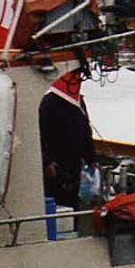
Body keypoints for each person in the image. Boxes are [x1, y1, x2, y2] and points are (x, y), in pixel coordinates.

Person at [40, 65, 95, 209]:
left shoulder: (78, 102)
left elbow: (86, 131)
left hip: (74, 163)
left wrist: (90, 159)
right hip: (55, 164)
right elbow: (38, 135)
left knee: (72, 202)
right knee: (56, 202)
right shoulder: (48, 102)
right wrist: (46, 162)